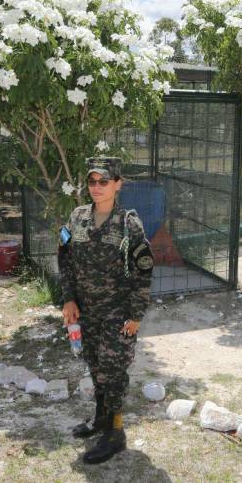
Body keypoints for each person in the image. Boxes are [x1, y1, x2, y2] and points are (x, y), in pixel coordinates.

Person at [58, 157, 154, 464]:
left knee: (114, 374)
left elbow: (143, 274)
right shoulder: (77, 217)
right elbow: (65, 259)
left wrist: (136, 317)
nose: (97, 187)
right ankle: (100, 419)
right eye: (92, 181)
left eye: (104, 181)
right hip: (86, 311)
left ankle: (116, 434)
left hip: (117, 314)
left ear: (117, 184)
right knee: (95, 365)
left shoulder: (129, 224)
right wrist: (69, 299)